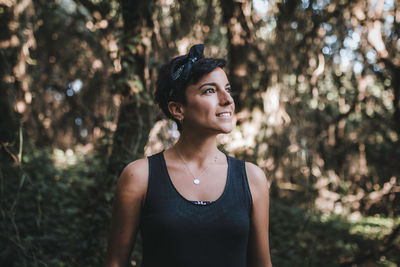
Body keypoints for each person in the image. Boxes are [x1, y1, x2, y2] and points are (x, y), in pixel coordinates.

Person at [105, 44, 272, 267]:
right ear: (177, 109)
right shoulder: (139, 176)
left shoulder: (252, 179)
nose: (227, 100)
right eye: (210, 91)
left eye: (227, 89)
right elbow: (115, 262)